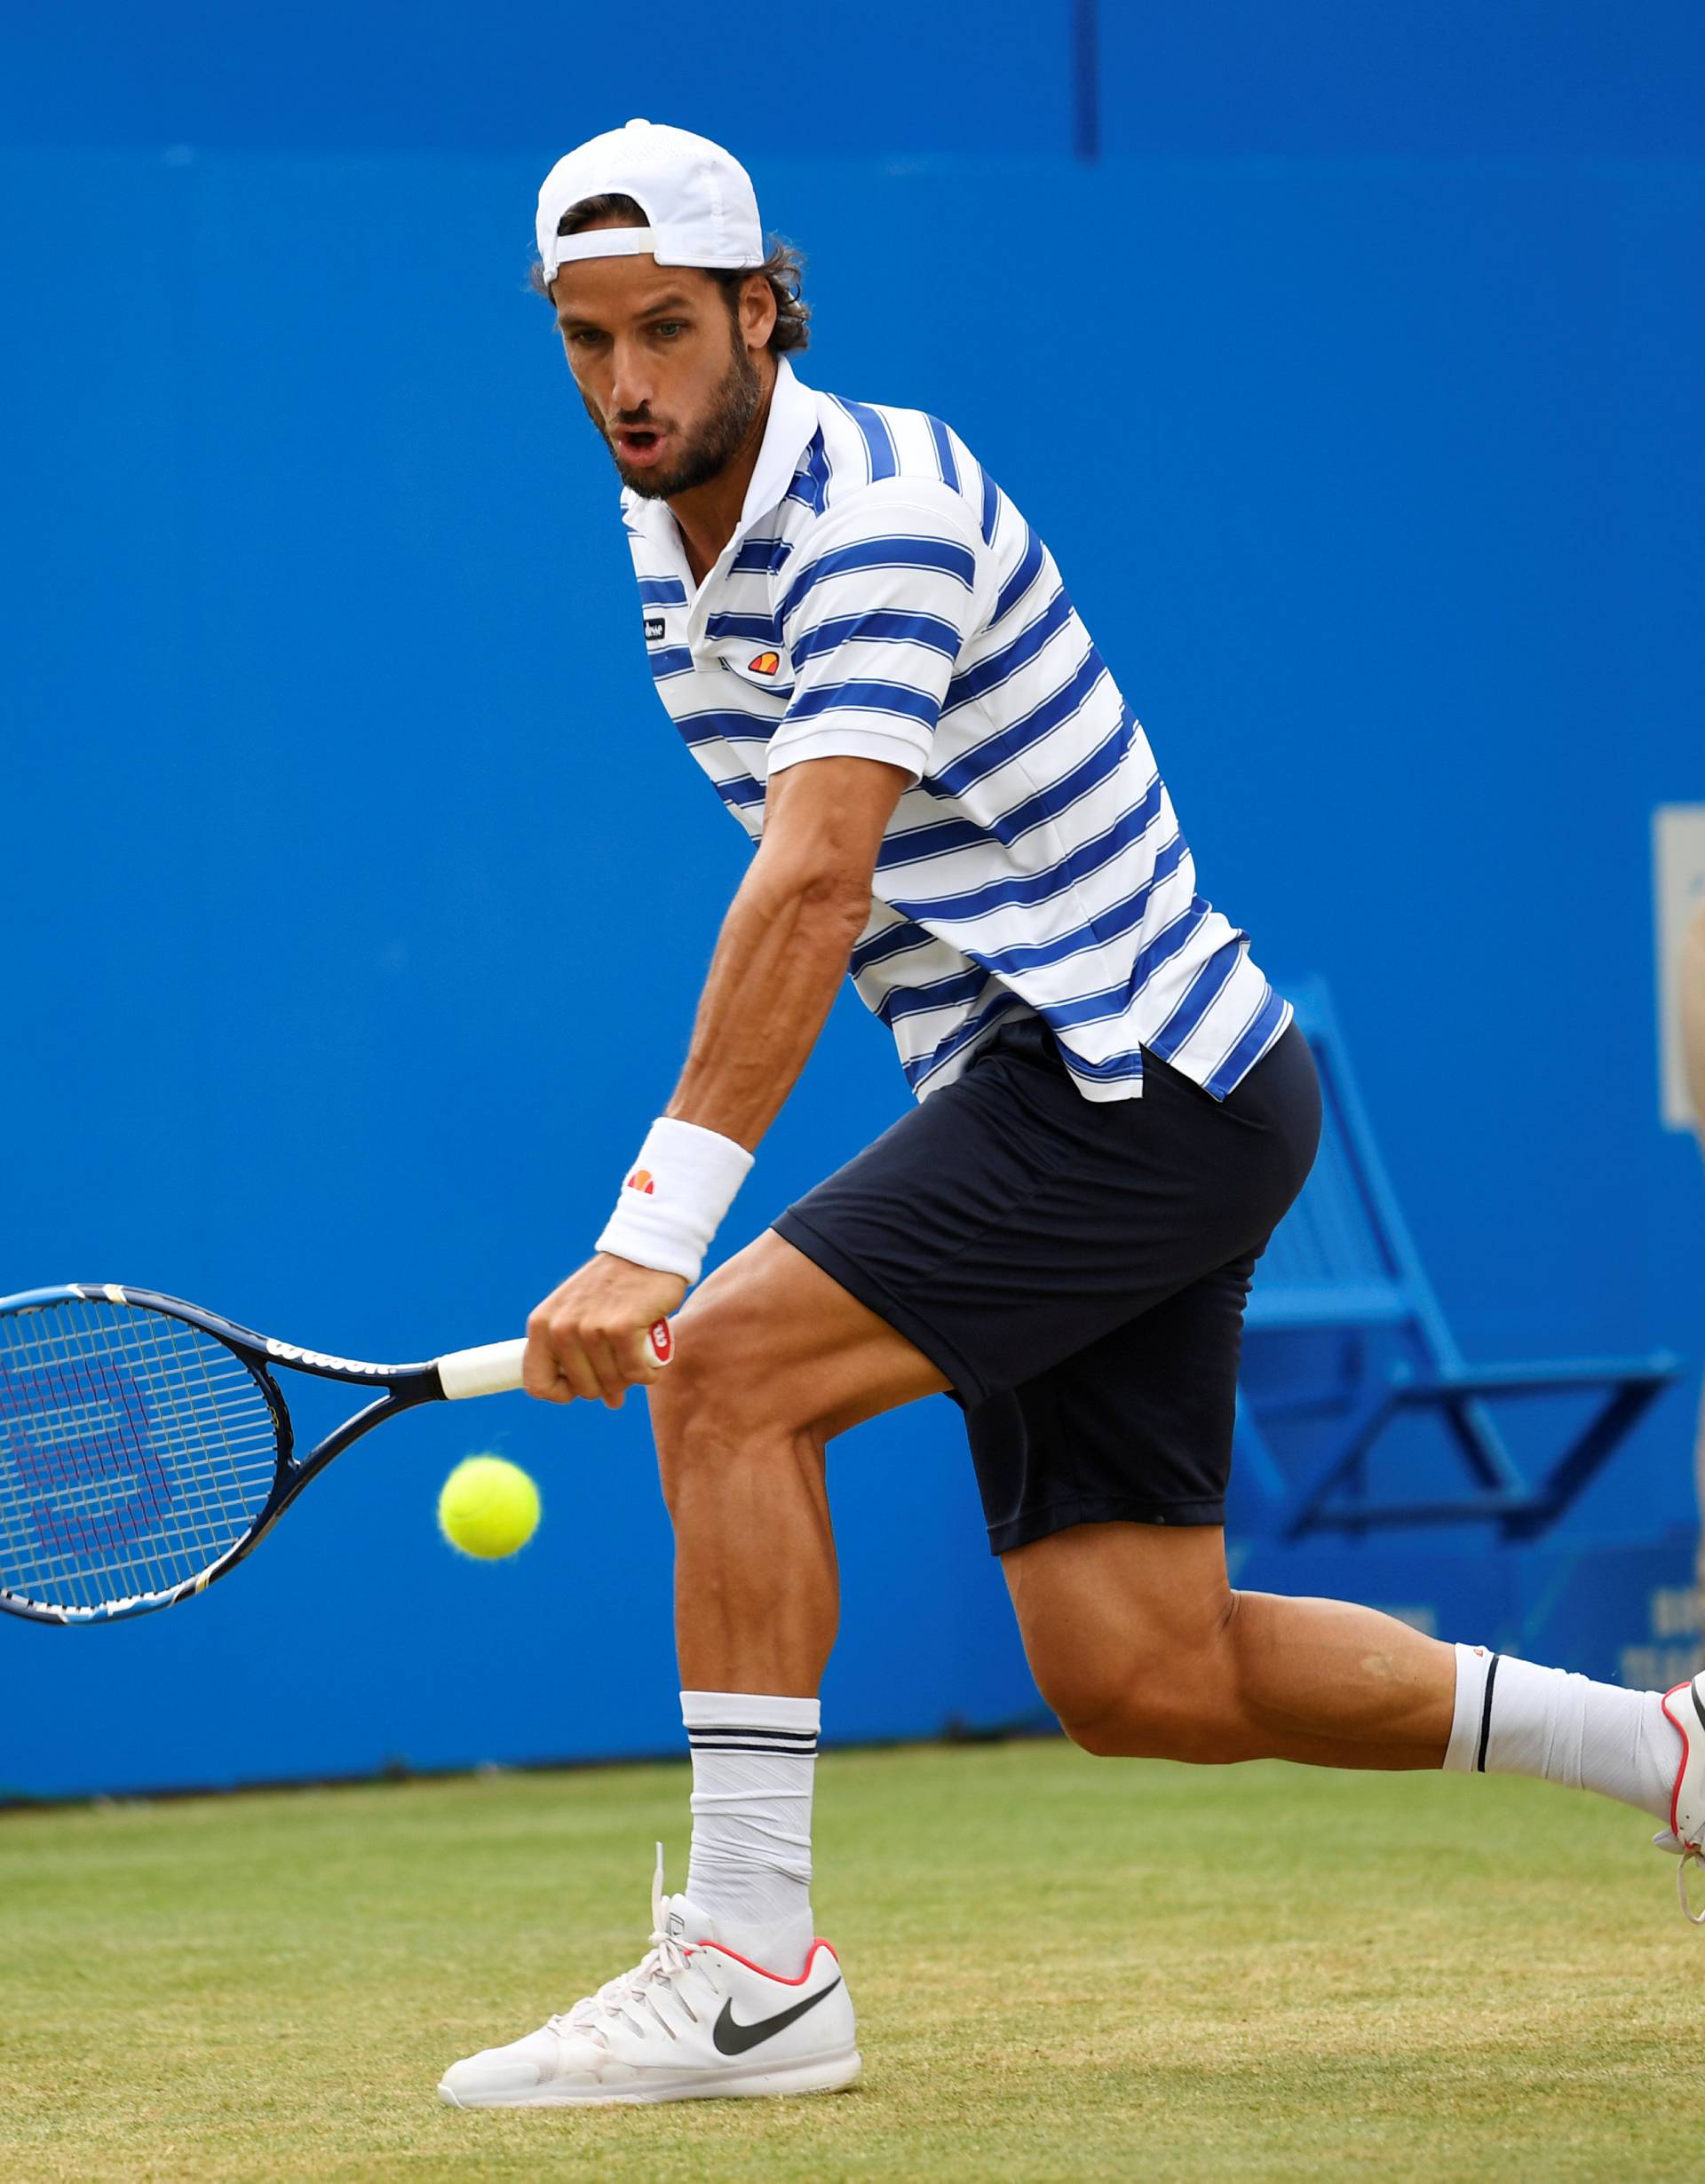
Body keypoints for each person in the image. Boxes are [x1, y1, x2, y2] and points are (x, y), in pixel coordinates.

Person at [438, 121, 1704, 2110]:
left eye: (668, 329)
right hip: (1078, 1089)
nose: (627, 386)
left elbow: (815, 881)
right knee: (1142, 1671)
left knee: (724, 1376)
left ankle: (753, 1966)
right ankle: (1675, 1753)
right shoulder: (664, 532)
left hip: (1134, 1078)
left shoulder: (882, 509)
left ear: (766, 306)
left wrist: (649, 1236)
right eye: (588, 341)